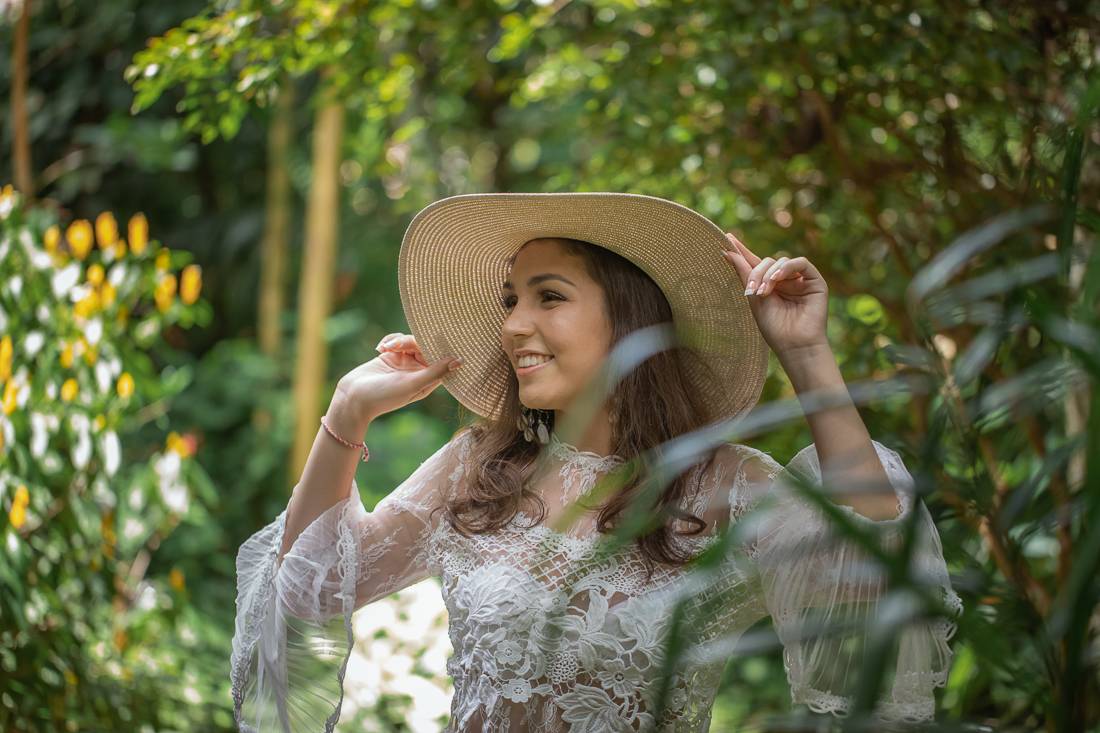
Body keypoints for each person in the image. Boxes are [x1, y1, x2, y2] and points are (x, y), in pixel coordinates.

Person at [230, 193, 960, 732]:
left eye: (549, 296)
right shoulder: (477, 469)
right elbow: (304, 593)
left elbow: (875, 576)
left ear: (630, 317)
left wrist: (805, 352)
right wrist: (347, 410)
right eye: (511, 299)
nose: (514, 324)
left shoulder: (726, 486)